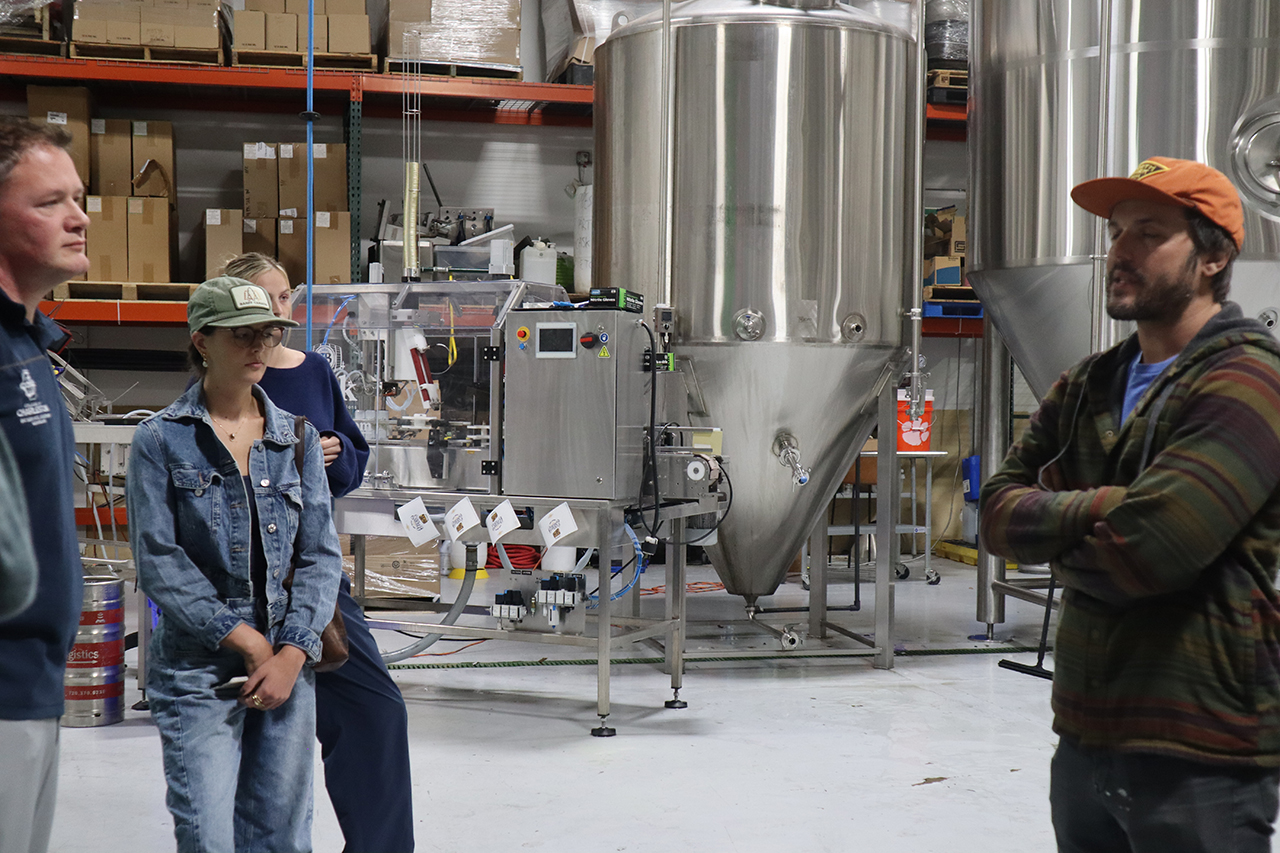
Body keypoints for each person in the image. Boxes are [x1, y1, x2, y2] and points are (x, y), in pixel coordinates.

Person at [980, 157, 1280, 852]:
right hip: (1085, 732)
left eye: (1150, 233)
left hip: (1200, 747)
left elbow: (1151, 552)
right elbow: (994, 513)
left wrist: (1056, 528)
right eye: (1116, 231)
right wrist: (1112, 505)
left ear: (1213, 258)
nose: (1120, 250)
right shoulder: (1088, 382)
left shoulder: (1249, 380)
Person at [128, 276, 343, 852]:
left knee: (280, 836)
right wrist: (247, 641)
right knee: (208, 834)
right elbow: (158, 560)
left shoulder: (296, 438)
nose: (260, 346)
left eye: (268, 334)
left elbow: (321, 555)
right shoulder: (160, 440)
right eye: (242, 334)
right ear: (202, 341)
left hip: (287, 656)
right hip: (196, 665)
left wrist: (291, 654)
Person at [221, 252, 416, 853]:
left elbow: (351, 458)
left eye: (284, 298)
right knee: (263, 736)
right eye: (263, 300)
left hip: (314, 579)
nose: (277, 313)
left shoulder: (314, 370)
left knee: (375, 713)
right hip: (243, 585)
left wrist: (332, 451)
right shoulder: (220, 383)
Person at [0, 118, 90, 853]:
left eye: (78, 198)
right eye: (49, 202)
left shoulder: (30, 344)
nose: (79, 217)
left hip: (35, 683)